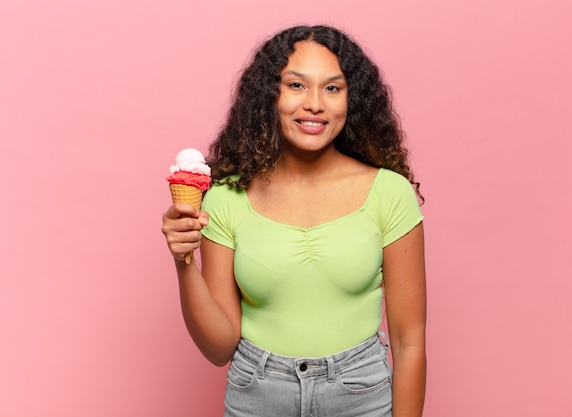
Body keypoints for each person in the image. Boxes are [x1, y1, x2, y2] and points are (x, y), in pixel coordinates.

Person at [162, 25, 426, 417]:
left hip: (361, 395)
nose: (315, 104)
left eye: (332, 88)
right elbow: (219, 348)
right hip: (257, 395)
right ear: (270, 97)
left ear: (352, 100)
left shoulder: (389, 193)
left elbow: (409, 342)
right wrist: (183, 261)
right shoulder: (226, 197)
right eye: (296, 86)